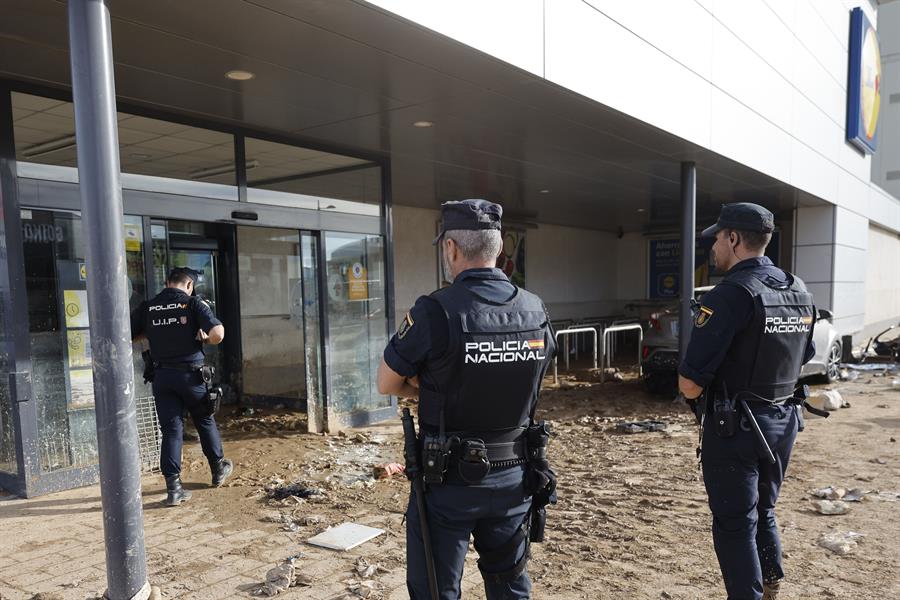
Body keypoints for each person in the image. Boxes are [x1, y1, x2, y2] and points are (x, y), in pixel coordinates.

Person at [377, 199, 557, 599]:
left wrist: (431, 385)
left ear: (452, 249)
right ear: (498, 251)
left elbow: (387, 383)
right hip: (515, 476)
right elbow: (531, 380)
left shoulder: (434, 311)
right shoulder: (536, 309)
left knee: (437, 591)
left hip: (448, 484)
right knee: (510, 586)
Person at [678, 203, 816, 600]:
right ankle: (770, 580)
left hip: (736, 426)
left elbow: (689, 383)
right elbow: (801, 357)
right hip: (783, 421)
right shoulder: (797, 288)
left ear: (734, 239)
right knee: (764, 509)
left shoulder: (731, 295)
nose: (714, 248)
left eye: (718, 239)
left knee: (734, 523)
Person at [131, 267, 233, 506]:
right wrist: (205, 339)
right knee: (204, 421)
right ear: (189, 286)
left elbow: (128, 334)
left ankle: (174, 489)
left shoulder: (148, 307)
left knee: (171, 431)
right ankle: (218, 470)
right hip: (191, 377)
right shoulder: (193, 304)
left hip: (162, 378)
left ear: (167, 283)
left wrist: (154, 334)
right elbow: (218, 333)